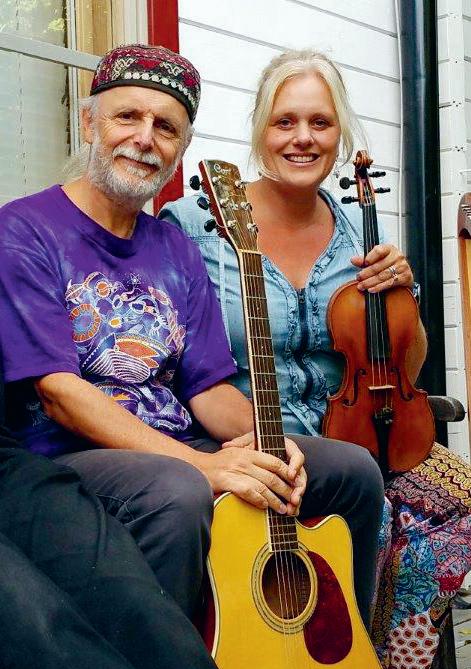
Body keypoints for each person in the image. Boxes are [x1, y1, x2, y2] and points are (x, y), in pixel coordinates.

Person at [0, 43, 384, 632]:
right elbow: (58, 393)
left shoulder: (174, 246)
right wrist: (202, 466)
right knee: (178, 490)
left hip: (178, 447)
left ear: (181, 147)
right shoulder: (24, 229)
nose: (145, 138)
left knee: (350, 469)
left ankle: (342, 649)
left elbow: (207, 388)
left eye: (166, 127)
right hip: (67, 459)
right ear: (90, 122)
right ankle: (170, 667)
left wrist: (269, 440)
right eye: (128, 116)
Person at [160, 48, 471, 669]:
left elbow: (406, 370)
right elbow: (170, 356)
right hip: (249, 438)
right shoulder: (196, 223)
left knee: (459, 499)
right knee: (370, 518)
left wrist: (402, 301)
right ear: (260, 129)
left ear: (340, 133)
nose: (302, 138)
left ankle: (392, 665)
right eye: (285, 121)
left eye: (320, 123)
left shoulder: (361, 229)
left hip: (365, 430)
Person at [0, 362, 227, 669]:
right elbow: (56, 389)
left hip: (8, 463)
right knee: (30, 614)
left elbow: (208, 386)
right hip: (52, 447)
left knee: (140, 608)